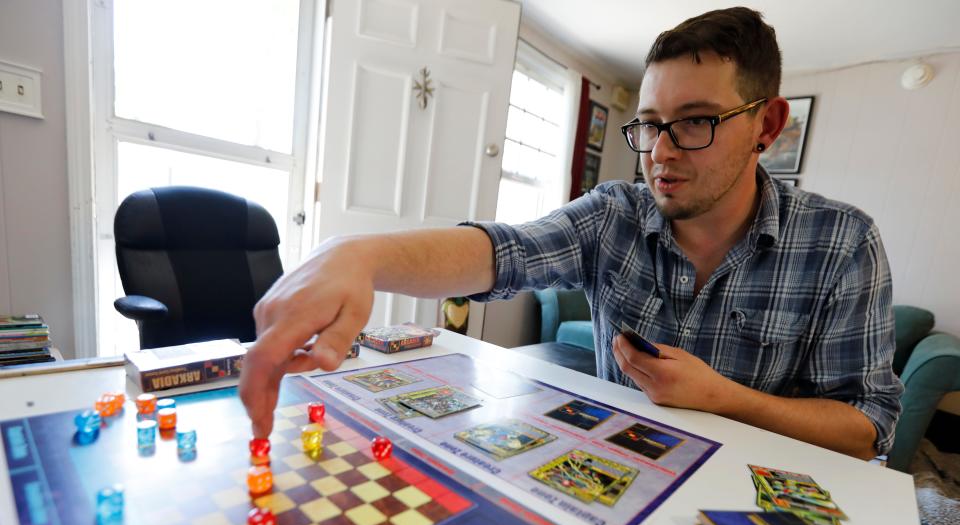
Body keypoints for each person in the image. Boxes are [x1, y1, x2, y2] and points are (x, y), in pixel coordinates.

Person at [239, 7, 901, 461]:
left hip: (759, 509)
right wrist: (360, 254)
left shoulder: (843, 244)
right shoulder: (614, 215)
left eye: (695, 121)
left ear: (767, 125)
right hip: (619, 477)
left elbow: (869, 429)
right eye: (648, 124)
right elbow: (502, 251)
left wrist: (725, 400)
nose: (660, 153)